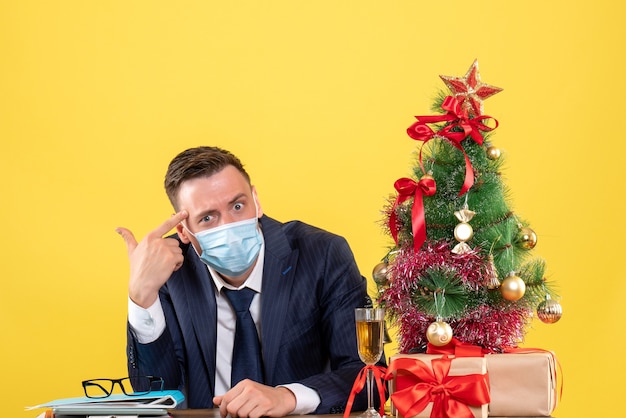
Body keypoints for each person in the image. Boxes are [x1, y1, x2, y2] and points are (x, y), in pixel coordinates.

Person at [116, 146, 384, 417]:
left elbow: (369, 375)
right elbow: (155, 397)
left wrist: (288, 396)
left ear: (256, 201)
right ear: (184, 232)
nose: (229, 226)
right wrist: (142, 295)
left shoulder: (323, 255)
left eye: (237, 206)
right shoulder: (167, 270)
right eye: (207, 218)